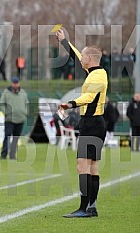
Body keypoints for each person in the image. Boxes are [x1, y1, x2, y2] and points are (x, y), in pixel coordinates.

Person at [56, 28, 107, 218]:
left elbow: (89, 96)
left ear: (90, 58)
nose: (81, 58)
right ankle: (91, 207)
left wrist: (70, 103)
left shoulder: (98, 75)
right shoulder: (94, 71)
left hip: (92, 124)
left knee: (82, 166)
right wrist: (64, 42)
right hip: (94, 123)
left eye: (84, 55)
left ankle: (84, 208)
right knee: (92, 167)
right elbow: (76, 55)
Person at [0, 77, 28, 159]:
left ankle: (12, 155)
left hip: (20, 119)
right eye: (14, 83)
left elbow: (27, 103)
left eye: (17, 83)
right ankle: (3, 154)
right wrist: (6, 113)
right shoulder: (6, 92)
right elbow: (2, 103)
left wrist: (25, 113)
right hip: (10, 119)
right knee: (7, 136)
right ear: (12, 83)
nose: (15, 84)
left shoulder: (23, 92)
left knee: (16, 137)